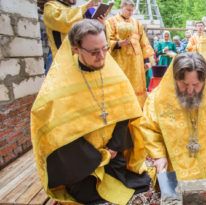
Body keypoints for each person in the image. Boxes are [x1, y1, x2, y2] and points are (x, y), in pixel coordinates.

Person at [31, 19, 151, 204]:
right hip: (82, 159)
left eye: (105, 48)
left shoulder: (112, 71)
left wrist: (112, 147)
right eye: (94, 52)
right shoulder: (59, 85)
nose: (102, 56)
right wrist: (96, 156)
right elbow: (59, 133)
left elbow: (126, 113)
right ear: (75, 48)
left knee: (138, 182)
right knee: (90, 195)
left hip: (113, 150)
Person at [140, 52, 206, 181]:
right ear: (175, 79)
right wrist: (159, 155)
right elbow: (149, 128)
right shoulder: (158, 99)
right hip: (176, 170)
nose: (190, 90)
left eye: (196, 85)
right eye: (184, 85)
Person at [105, 0, 154, 107]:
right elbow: (107, 41)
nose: (130, 13)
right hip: (120, 60)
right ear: (121, 7)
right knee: (121, 84)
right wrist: (118, 43)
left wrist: (146, 60)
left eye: (132, 11)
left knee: (137, 85)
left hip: (136, 62)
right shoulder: (111, 22)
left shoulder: (137, 23)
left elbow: (143, 41)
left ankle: (137, 107)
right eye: (128, 10)